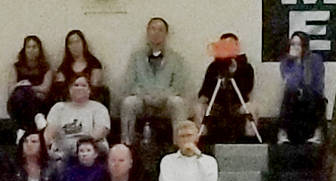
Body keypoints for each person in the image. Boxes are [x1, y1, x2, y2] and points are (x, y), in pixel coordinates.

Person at [120, 17, 188, 145]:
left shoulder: (176, 58)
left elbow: (178, 85)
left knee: (178, 103)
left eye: (160, 30)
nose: (156, 33)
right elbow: (130, 82)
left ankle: (180, 146)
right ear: (147, 32)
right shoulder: (136, 57)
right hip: (142, 101)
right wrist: (144, 96)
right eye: (153, 29)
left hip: (165, 102)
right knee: (128, 103)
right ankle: (126, 144)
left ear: (166, 34)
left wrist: (162, 96)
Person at [194, 33, 256, 142]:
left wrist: (233, 73)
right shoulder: (214, 67)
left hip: (238, 104)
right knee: (198, 107)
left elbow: (247, 89)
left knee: (253, 108)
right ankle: (201, 139)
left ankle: (250, 141)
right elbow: (205, 90)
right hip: (217, 104)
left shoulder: (246, 67)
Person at [44, 74, 110, 162]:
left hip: (88, 150)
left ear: (89, 90)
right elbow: (50, 132)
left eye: (83, 85)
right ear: (69, 88)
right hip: (63, 153)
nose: (79, 88)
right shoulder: (58, 108)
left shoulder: (98, 108)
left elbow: (101, 131)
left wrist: (80, 147)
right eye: (76, 85)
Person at [277, 31, 325, 145]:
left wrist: (302, 63)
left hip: (312, 98)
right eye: (293, 44)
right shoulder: (285, 62)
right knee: (289, 93)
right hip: (295, 100)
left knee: (313, 95)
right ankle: (283, 132)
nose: (295, 47)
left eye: (298, 44)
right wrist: (295, 62)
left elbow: (312, 83)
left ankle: (317, 133)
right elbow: (291, 84)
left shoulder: (315, 60)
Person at [7, 35, 52, 139]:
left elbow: (45, 89)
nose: (31, 50)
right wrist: (20, 86)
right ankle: (36, 116)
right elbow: (10, 90)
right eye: (28, 47)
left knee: (24, 91)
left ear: (39, 49)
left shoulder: (46, 67)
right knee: (20, 94)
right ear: (24, 49)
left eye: (34, 47)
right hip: (17, 104)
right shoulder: (16, 66)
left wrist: (28, 87)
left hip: (40, 101)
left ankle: (21, 131)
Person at [52, 30, 106, 106]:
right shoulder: (64, 66)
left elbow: (95, 87)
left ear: (83, 43)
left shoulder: (94, 63)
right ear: (68, 47)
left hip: (90, 103)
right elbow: (60, 89)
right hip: (69, 104)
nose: (75, 45)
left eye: (77, 42)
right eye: (71, 43)